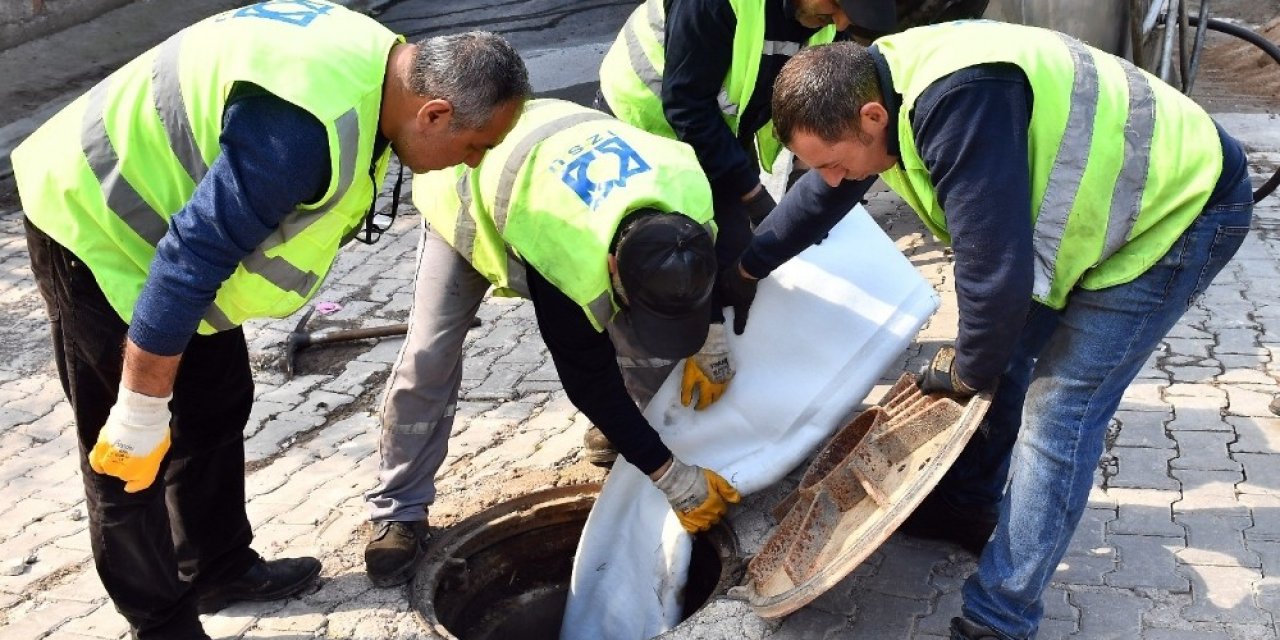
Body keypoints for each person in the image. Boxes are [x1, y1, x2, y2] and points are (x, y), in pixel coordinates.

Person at [717, 21, 1252, 640]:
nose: (835, 178)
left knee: (1059, 415)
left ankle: (1001, 616)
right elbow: (820, 197)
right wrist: (748, 267)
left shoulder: (957, 106)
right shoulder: (878, 90)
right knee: (1002, 356)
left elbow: (992, 271)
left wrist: (969, 367)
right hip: (1099, 217)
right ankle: (967, 506)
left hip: (1177, 213)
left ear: (869, 118)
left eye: (836, 163)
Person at [13, 1, 529, 637]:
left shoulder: (386, 65)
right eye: (475, 145)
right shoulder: (301, 131)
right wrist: (141, 409)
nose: (474, 162)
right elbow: (190, 259)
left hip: (172, 223)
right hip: (94, 220)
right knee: (127, 455)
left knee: (215, 401)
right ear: (435, 113)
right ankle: (162, 623)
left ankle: (216, 566)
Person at [363, 98, 742, 587]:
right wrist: (670, 475)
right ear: (610, 267)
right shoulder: (564, 250)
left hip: (557, 167)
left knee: (647, 341)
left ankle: (624, 437)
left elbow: (702, 267)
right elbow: (586, 378)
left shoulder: (689, 192)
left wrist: (710, 336)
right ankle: (399, 510)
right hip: (464, 195)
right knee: (430, 354)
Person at [589, 0, 989, 461]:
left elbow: (822, 138)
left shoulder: (828, 16)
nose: (842, 21)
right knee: (659, 275)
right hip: (642, 132)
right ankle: (633, 420)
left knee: (732, 256)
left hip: (717, 131)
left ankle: (724, 409)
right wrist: (749, 193)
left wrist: (752, 256)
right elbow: (687, 106)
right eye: (838, 6)